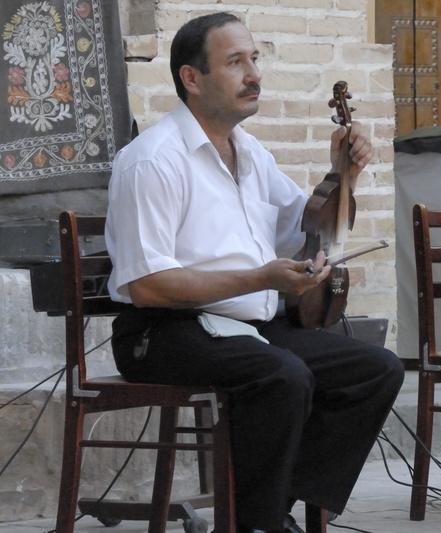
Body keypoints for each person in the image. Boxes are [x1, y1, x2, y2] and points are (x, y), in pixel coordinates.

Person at [104, 12, 405, 533]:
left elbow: (314, 234)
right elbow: (146, 285)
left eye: (255, 59)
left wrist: (343, 178)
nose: (254, 75)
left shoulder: (251, 154)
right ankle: (253, 520)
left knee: (376, 369)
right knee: (282, 375)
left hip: (244, 327)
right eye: (235, 62)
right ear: (191, 79)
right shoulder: (152, 161)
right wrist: (261, 280)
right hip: (163, 332)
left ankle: (268, 511)